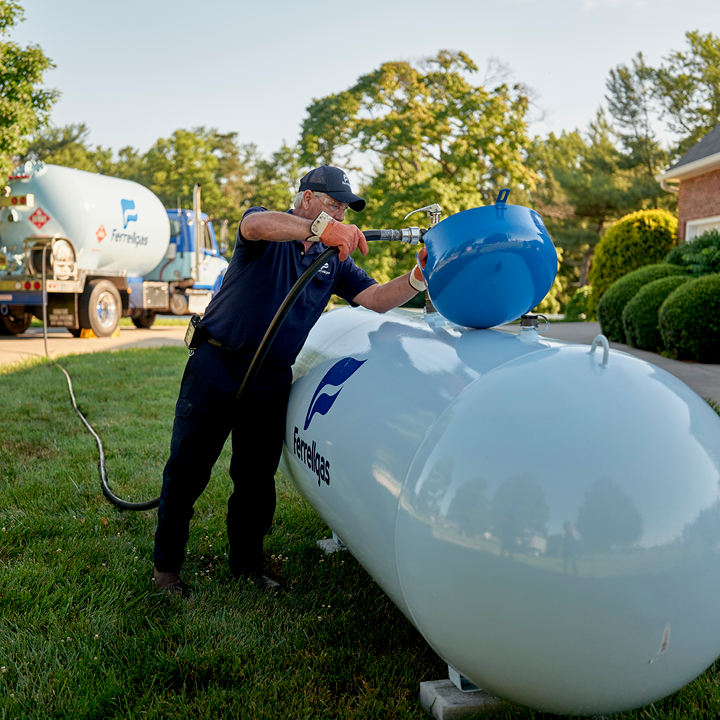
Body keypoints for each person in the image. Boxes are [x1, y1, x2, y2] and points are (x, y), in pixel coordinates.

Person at [153, 165, 428, 596]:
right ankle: (166, 568)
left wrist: (417, 278)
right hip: (217, 363)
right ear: (307, 199)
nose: (340, 215)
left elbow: (376, 299)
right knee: (189, 468)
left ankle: (246, 565)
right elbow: (253, 225)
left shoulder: (333, 261)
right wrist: (320, 228)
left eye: (344, 209)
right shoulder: (269, 230)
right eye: (333, 205)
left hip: (269, 379)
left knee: (256, 478)